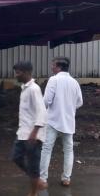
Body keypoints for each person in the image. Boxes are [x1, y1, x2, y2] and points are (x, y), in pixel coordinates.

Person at [39, 57, 83, 188]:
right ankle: (66, 179)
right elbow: (80, 102)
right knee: (69, 150)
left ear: (58, 67)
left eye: (53, 65)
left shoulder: (54, 80)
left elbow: (46, 101)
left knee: (46, 149)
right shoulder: (74, 82)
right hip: (68, 122)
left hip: (53, 120)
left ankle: (43, 179)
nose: (51, 67)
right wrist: (69, 108)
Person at [12, 61, 47, 196]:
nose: (16, 75)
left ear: (26, 73)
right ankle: (37, 180)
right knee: (16, 157)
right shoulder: (25, 88)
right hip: (23, 133)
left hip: (33, 136)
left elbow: (42, 112)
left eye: (18, 72)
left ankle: (33, 193)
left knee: (33, 165)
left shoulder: (34, 89)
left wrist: (35, 132)